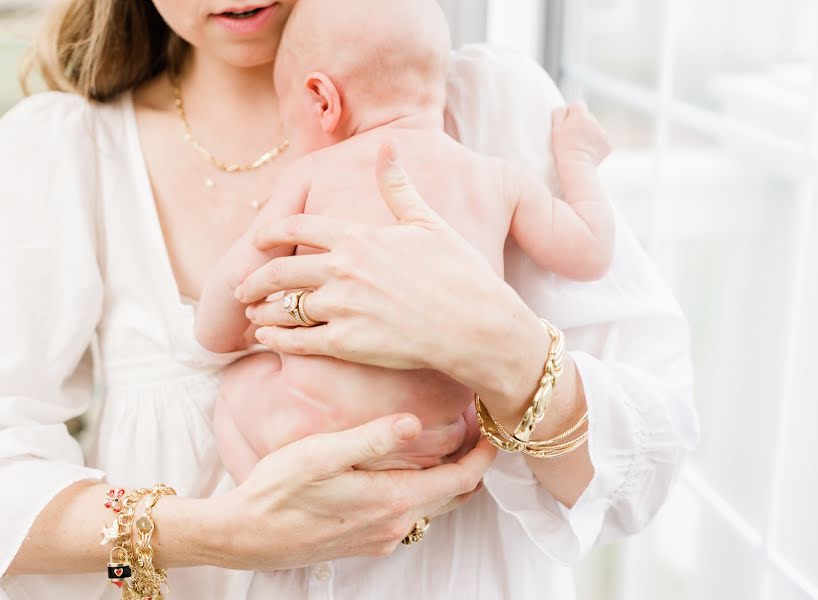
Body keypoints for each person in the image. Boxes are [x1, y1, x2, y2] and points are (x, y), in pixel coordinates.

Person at [0, 1, 698, 599]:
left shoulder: (495, 103)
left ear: (321, 100)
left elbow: (646, 471)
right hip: (437, 446)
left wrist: (502, 349)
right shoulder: (64, 151)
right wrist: (227, 533)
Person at [197, 0, 615, 484]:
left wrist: (220, 335)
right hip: (437, 440)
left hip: (310, 431)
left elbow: (238, 288)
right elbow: (590, 252)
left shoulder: (312, 174)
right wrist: (577, 158)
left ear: (322, 101)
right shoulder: (498, 179)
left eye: (287, 120)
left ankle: (261, 508)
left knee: (232, 387)